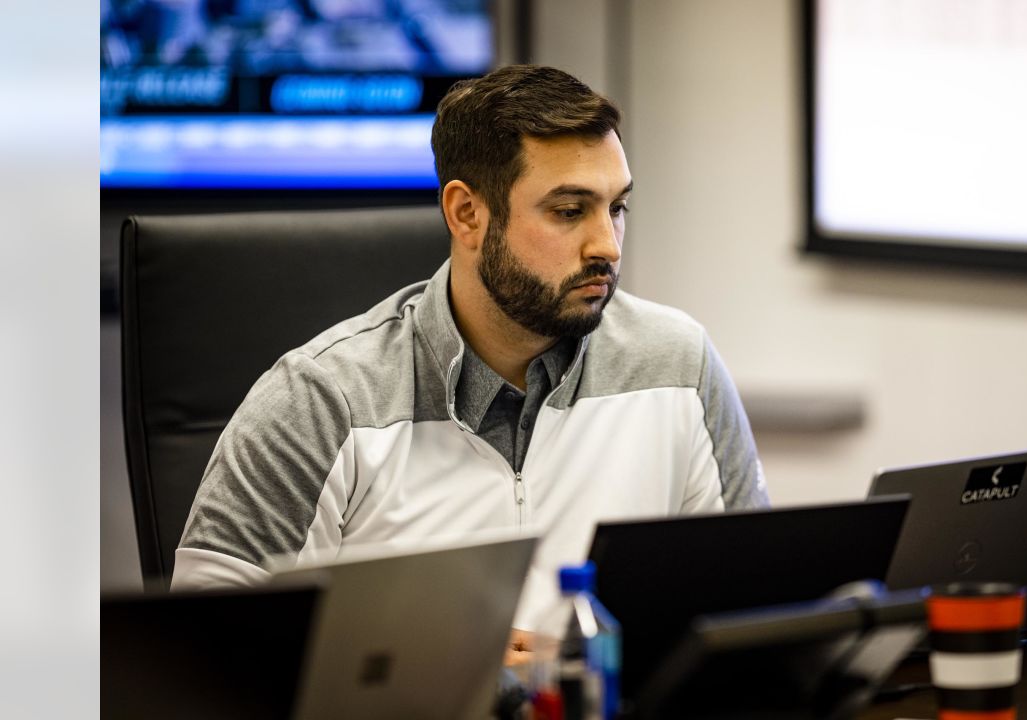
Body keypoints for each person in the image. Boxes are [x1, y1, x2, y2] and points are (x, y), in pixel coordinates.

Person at [170, 65, 770, 631]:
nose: (607, 246)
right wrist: (442, 665)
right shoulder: (323, 401)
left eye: (616, 209)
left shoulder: (678, 364)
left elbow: (754, 608)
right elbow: (200, 662)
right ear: (467, 213)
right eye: (569, 211)